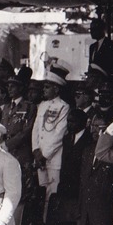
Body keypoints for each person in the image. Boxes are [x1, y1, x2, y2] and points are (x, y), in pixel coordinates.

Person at [31, 70, 71, 210]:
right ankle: (41, 224)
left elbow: (59, 134)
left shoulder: (64, 107)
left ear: (56, 88)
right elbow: (36, 129)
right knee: (42, 192)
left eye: (47, 87)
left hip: (53, 158)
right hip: (40, 156)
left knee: (52, 194)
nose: (44, 90)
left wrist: (44, 155)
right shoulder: (42, 105)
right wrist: (36, 150)